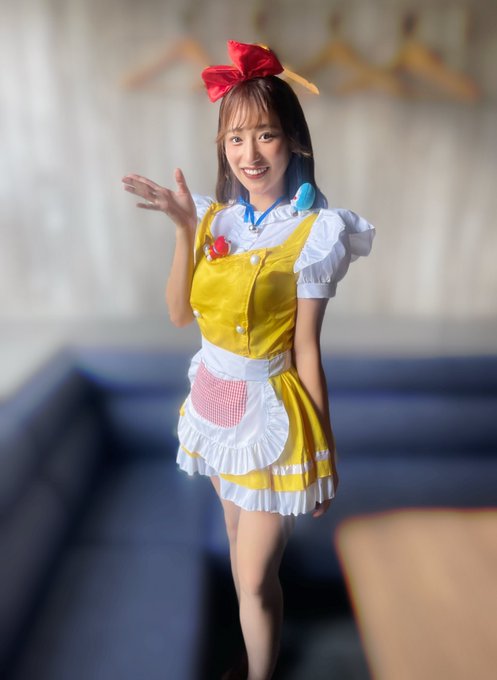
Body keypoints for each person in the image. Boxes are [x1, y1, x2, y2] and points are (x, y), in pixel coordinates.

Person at [122, 40, 375, 680]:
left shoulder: (315, 232)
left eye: (265, 134)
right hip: (213, 401)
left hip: (271, 417)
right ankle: (254, 658)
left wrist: (324, 452)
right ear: (222, 148)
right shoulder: (215, 220)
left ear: (294, 141)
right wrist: (184, 228)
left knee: (255, 573)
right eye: (235, 139)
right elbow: (180, 315)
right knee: (240, 553)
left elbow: (307, 348)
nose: (250, 154)